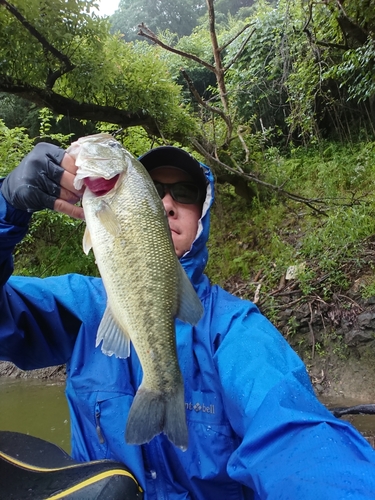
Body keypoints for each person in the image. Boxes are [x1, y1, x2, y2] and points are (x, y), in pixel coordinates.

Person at [1, 140, 375, 500]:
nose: (166, 204)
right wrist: (6, 207)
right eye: (156, 189)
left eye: (184, 193)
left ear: (202, 215)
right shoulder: (82, 306)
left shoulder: (234, 329)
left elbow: (295, 434)